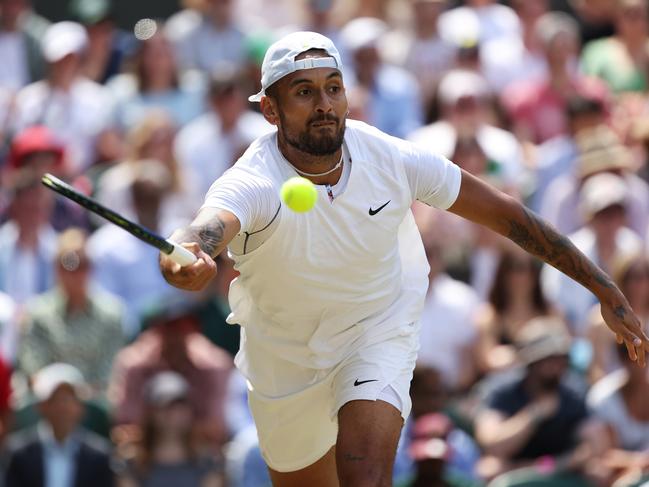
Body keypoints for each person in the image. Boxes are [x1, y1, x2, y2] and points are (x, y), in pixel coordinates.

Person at [159, 31, 648, 487]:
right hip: (283, 362)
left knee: (364, 475)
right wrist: (187, 256)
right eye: (304, 92)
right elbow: (203, 229)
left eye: (333, 87)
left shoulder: (390, 157)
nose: (325, 103)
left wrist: (604, 288)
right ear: (270, 109)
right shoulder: (252, 180)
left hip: (377, 331)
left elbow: (508, 216)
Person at [18, 228, 126, 396]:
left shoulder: (112, 314)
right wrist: (63, 400)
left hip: (94, 405)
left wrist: (78, 399)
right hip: (47, 402)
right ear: (56, 268)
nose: (76, 272)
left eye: (83, 264)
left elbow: (108, 375)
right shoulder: (37, 313)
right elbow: (34, 371)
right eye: (69, 262)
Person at [5, 363, 114, 487]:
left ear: (81, 407)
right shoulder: (18, 452)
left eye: (69, 399)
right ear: (41, 407)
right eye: (55, 400)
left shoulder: (100, 455)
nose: (63, 408)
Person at [114, 371, 223, 487]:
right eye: (166, 406)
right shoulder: (131, 461)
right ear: (151, 412)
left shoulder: (207, 460)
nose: (174, 413)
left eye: (180, 405)